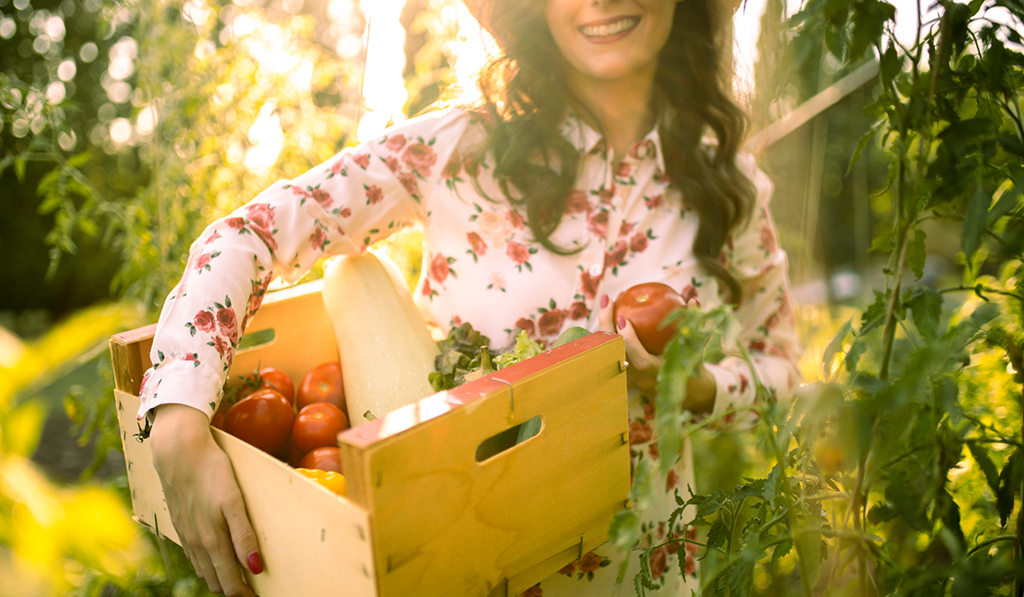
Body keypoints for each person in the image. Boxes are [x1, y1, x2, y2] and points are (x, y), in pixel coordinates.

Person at [141, 0, 801, 594]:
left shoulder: (729, 187)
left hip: (646, 575)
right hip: (463, 570)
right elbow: (250, 234)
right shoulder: (456, 150)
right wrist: (177, 413)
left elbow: (780, 369)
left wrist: (690, 388)